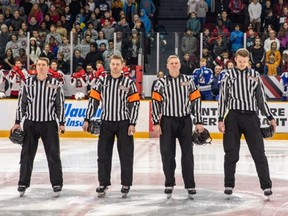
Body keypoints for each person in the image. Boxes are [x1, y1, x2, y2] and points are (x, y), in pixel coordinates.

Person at [217, 48, 277, 197]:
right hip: (233, 117)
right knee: (231, 153)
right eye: (240, 61)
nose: (242, 63)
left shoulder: (255, 75)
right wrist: (220, 119)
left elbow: (261, 100)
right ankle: (229, 185)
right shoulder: (228, 75)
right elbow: (223, 99)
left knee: (259, 154)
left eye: (245, 61)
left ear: (248, 61)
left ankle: (266, 186)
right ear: (235, 60)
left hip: (251, 118)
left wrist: (270, 117)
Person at [82, 55, 140, 197]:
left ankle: (126, 183)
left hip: (124, 123)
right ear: (110, 65)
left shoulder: (129, 82)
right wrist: (87, 118)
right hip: (106, 123)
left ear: (122, 66)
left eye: (117, 64)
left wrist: (132, 122)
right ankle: (103, 183)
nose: (115, 66)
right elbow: (94, 100)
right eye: (113, 64)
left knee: (126, 155)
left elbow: (135, 104)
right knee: (103, 154)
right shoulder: (102, 81)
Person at [10, 57, 65, 197]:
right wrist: (17, 121)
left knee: (53, 154)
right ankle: (23, 182)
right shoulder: (27, 84)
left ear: (48, 67)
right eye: (39, 65)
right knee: (27, 154)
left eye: (43, 65)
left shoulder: (55, 84)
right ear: (36, 67)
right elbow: (21, 104)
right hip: (31, 124)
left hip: (49, 124)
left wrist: (62, 122)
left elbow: (60, 105)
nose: (41, 67)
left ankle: (57, 183)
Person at [151, 55, 204, 198]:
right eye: (171, 63)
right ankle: (169, 182)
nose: (174, 65)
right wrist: (155, 122)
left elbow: (196, 101)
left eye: (176, 63)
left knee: (188, 154)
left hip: (185, 121)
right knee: (167, 154)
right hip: (167, 121)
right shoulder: (160, 83)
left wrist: (198, 120)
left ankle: (190, 185)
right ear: (167, 66)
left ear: (180, 65)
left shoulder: (189, 81)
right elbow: (156, 103)